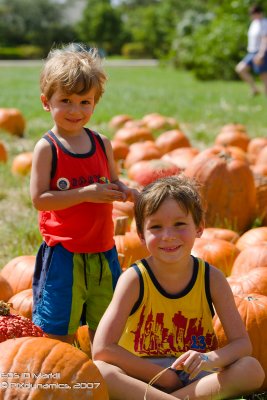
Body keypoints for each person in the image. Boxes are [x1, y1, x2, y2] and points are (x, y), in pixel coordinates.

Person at [93, 175, 265, 400]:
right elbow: (102, 349)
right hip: (141, 375)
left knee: (251, 369)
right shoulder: (134, 279)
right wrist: (164, 376)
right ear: (141, 236)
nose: (168, 236)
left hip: (194, 373)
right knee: (99, 371)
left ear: (199, 227)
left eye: (179, 224)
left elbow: (242, 345)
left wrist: (209, 359)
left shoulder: (211, 278)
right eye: (156, 226)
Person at [30, 43, 138, 345]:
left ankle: (101, 373)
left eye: (84, 101)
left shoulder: (101, 143)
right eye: (65, 100)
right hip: (65, 253)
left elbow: (113, 182)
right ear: (46, 102)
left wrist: (128, 192)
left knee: (106, 327)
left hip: (103, 250)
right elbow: (40, 198)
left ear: (95, 101)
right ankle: (63, 376)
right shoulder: (47, 148)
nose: (75, 110)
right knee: (58, 331)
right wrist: (86, 193)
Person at [235, 4, 267, 96]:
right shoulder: (254, 24)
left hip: (261, 52)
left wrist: (261, 54)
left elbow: (265, 39)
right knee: (240, 69)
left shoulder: (264, 23)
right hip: (252, 52)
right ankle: (254, 89)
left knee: (263, 76)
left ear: (260, 13)